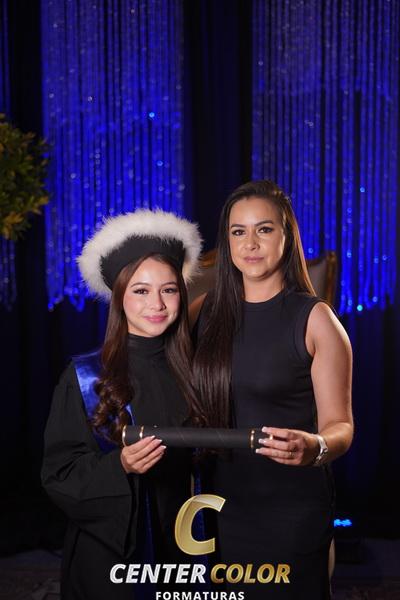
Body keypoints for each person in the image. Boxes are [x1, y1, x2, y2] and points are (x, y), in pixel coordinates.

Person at [192, 180, 353, 599]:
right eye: (238, 231)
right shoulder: (204, 311)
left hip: (290, 508)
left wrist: (316, 446)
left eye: (264, 229)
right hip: (217, 505)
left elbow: (341, 426)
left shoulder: (316, 319)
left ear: (287, 234)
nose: (250, 243)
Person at [42, 209, 202, 599]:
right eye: (141, 291)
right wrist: (121, 466)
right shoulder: (85, 378)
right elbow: (59, 474)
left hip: (186, 544)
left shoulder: (200, 372)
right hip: (112, 557)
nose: (157, 304)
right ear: (119, 298)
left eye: (169, 289)